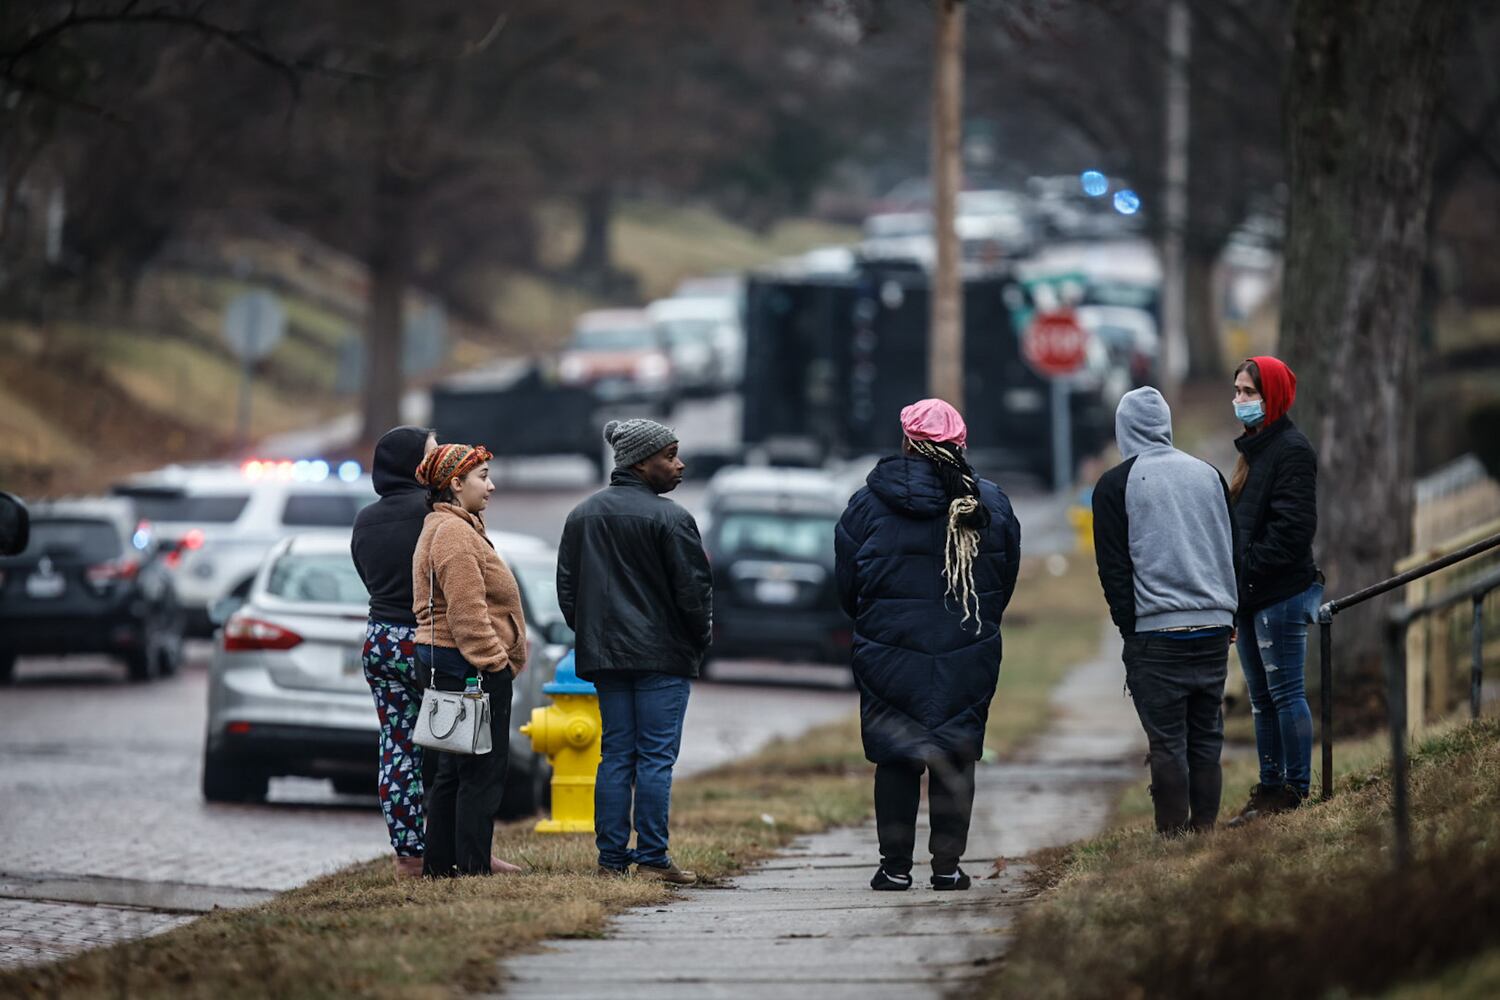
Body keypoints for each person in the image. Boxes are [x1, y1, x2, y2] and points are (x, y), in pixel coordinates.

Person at [835, 399, 1021, 892]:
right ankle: (947, 867)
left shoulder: (867, 505)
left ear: (906, 442)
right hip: (968, 643)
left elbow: (847, 583)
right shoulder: (991, 504)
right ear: (960, 444)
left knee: (896, 754)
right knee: (955, 751)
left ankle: (894, 867)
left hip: (887, 648)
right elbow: (1004, 580)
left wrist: (875, 624)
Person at [557, 419, 712, 885]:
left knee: (616, 755)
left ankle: (610, 860)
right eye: (670, 456)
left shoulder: (581, 515)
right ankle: (651, 857)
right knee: (656, 758)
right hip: (662, 658)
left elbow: (568, 591)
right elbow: (694, 594)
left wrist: (592, 636)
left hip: (606, 659)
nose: (679, 464)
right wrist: (698, 639)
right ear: (642, 462)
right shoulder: (673, 518)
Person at [1092, 388, 1239, 836]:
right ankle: (1207, 828)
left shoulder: (1117, 485)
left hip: (1156, 633)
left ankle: (1173, 835)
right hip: (1214, 625)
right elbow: (1229, 547)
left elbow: (1113, 568)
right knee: (1207, 736)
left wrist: (1129, 626)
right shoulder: (1208, 474)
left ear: (1124, 430)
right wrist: (1230, 612)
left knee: (1168, 741)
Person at [412, 442, 529, 877]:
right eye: (482, 478)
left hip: (449, 661)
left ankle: (441, 867)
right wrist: (495, 663)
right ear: (455, 484)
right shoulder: (456, 535)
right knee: (481, 771)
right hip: (467, 666)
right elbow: (466, 612)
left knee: (454, 770)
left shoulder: (449, 526)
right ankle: (473, 868)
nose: (491, 486)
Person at [1225, 356, 1322, 826]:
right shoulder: (1254, 449)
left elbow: (1292, 531)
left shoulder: (1292, 450)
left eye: (1248, 392)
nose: (1238, 400)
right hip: (1248, 596)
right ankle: (1269, 787)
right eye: (1238, 391)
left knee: (1285, 693)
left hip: (1279, 594)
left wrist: (1247, 575)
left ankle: (1295, 790)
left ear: (1273, 397)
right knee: (1262, 698)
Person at [351, 426, 439, 878]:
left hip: (381, 639)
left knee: (398, 746)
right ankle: (457, 846)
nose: (439, 458)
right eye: (431, 452)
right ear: (413, 464)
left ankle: (409, 854)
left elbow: (368, 577)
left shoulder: (365, 520)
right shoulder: (436, 514)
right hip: (429, 641)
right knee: (452, 746)